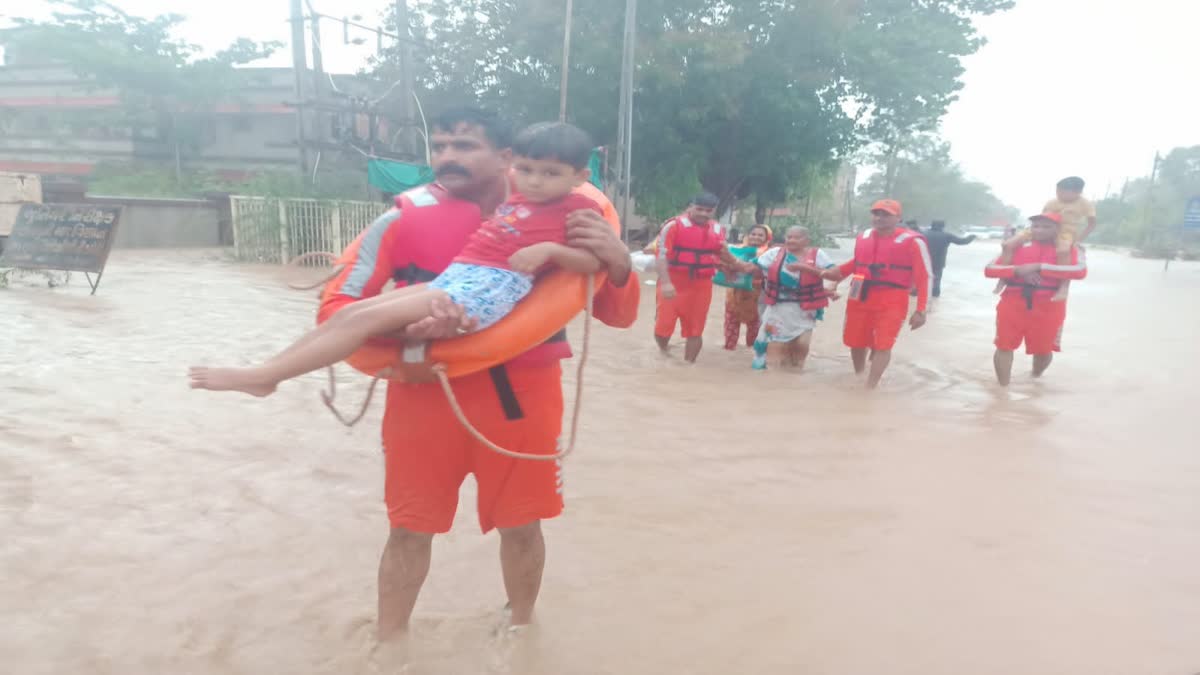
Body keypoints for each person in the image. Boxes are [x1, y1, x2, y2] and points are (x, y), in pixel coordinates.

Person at [289, 108, 639, 638]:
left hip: (522, 396)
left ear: (504, 158)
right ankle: (389, 645)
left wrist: (619, 261)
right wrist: (409, 343)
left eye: (464, 145)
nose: (448, 157)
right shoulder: (401, 219)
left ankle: (521, 632)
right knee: (408, 528)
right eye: (441, 145)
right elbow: (336, 307)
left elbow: (619, 315)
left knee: (523, 525)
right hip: (423, 390)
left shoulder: (573, 219)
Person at [189, 122, 607, 397]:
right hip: (461, 275)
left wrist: (551, 251)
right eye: (528, 169)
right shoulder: (520, 193)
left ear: (579, 178)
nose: (535, 180)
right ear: (513, 165)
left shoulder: (575, 209)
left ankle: (265, 378)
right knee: (348, 316)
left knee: (363, 320)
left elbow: (591, 263)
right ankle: (268, 371)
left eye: (550, 174)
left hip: (488, 287)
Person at [823, 199, 932, 389]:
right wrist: (833, 281)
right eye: (876, 213)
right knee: (855, 339)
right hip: (859, 292)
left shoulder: (913, 241)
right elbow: (856, 263)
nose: (879, 217)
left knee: (883, 343)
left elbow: (926, 277)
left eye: (886, 214)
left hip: (892, 296)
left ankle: (870, 387)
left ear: (898, 218)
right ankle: (858, 375)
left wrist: (922, 310)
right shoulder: (863, 237)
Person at [985, 212, 1087, 385]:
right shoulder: (1016, 245)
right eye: (1036, 226)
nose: (1039, 230)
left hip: (1051, 304)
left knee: (1044, 350)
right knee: (1003, 345)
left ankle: (1034, 378)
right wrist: (1017, 270)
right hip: (1013, 300)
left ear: (1058, 229)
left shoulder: (1070, 248)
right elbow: (990, 270)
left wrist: (1040, 267)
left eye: (1046, 226)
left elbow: (1079, 272)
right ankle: (1002, 390)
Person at [653, 192, 730, 363]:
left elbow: (721, 255)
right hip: (673, 281)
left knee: (696, 330)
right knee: (662, 328)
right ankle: (664, 351)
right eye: (699, 209)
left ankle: (689, 366)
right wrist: (666, 283)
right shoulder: (673, 226)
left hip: (701, 286)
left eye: (708, 210)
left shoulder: (718, 229)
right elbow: (661, 256)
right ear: (690, 207)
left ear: (714, 211)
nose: (703, 213)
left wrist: (734, 267)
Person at [749, 225, 838, 370]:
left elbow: (835, 274)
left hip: (805, 311)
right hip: (777, 308)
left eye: (796, 238)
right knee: (775, 349)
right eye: (789, 237)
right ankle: (772, 383)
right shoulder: (774, 253)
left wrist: (805, 268)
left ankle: (794, 379)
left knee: (801, 348)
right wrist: (730, 263)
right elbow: (752, 268)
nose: (791, 240)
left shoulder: (817, 254)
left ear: (806, 240)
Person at [999, 176, 1096, 301]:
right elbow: (1040, 219)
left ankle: (1064, 287)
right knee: (1007, 245)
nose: (1058, 195)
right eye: (1057, 191)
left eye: (1062, 192)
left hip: (1065, 233)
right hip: (1043, 228)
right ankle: (1003, 278)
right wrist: (1035, 232)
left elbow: (1092, 223)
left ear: (1077, 192)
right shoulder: (1051, 202)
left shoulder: (1085, 204)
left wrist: (1078, 240)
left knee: (1063, 251)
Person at [720, 224, 772, 351]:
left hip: (757, 294)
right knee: (731, 321)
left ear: (767, 238)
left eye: (760, 235)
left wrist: (736, 265)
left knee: (755, 324)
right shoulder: (735, 249)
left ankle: (751, 349)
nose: (756, 237)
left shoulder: (769, 254)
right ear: (747, 236)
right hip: (735, 292)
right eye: (753, 234)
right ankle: (729, 348)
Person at [923, 220, 976, 298]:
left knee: (923, 278)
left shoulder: (924, 234)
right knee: (936, 280)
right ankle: (935, 294)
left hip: (924, 260)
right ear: (943, 226)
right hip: (939, 262)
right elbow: (962, 241)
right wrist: (972, 237)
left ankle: (918, 293)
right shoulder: (946, 235)